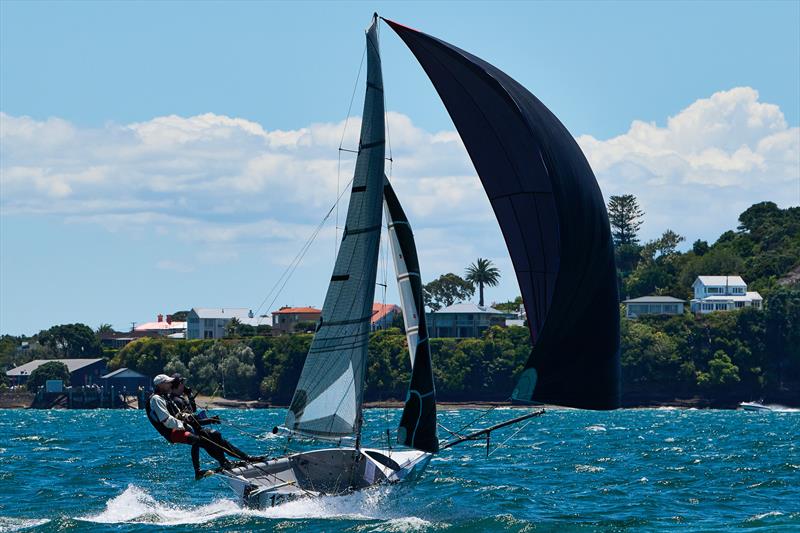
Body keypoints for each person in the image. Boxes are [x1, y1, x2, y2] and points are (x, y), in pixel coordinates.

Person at [146, 374, 232, 480]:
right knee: (198, 440)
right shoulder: (156, 399)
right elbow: (166, 420)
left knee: (205, 440)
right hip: (171, 432)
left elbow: (179, 414)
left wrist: (189, 418)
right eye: (168, 383)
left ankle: (223, 463)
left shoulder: (164, 397)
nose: (170, 385)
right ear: (161, 385)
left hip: (176, 428)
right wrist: (183, 425)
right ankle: (199, 471)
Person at [168, 374, 262, 464]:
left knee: (219, 439)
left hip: (196, 429)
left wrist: (190, 395)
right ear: (178, 384)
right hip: (192, 431)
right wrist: (211, 420)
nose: (184, 386)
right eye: (182, 383)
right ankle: (228, 461)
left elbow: (193, 410)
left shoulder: (179, 398)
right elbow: (191, 420)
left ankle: (241, 459)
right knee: (214, 437)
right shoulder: (176, 400)